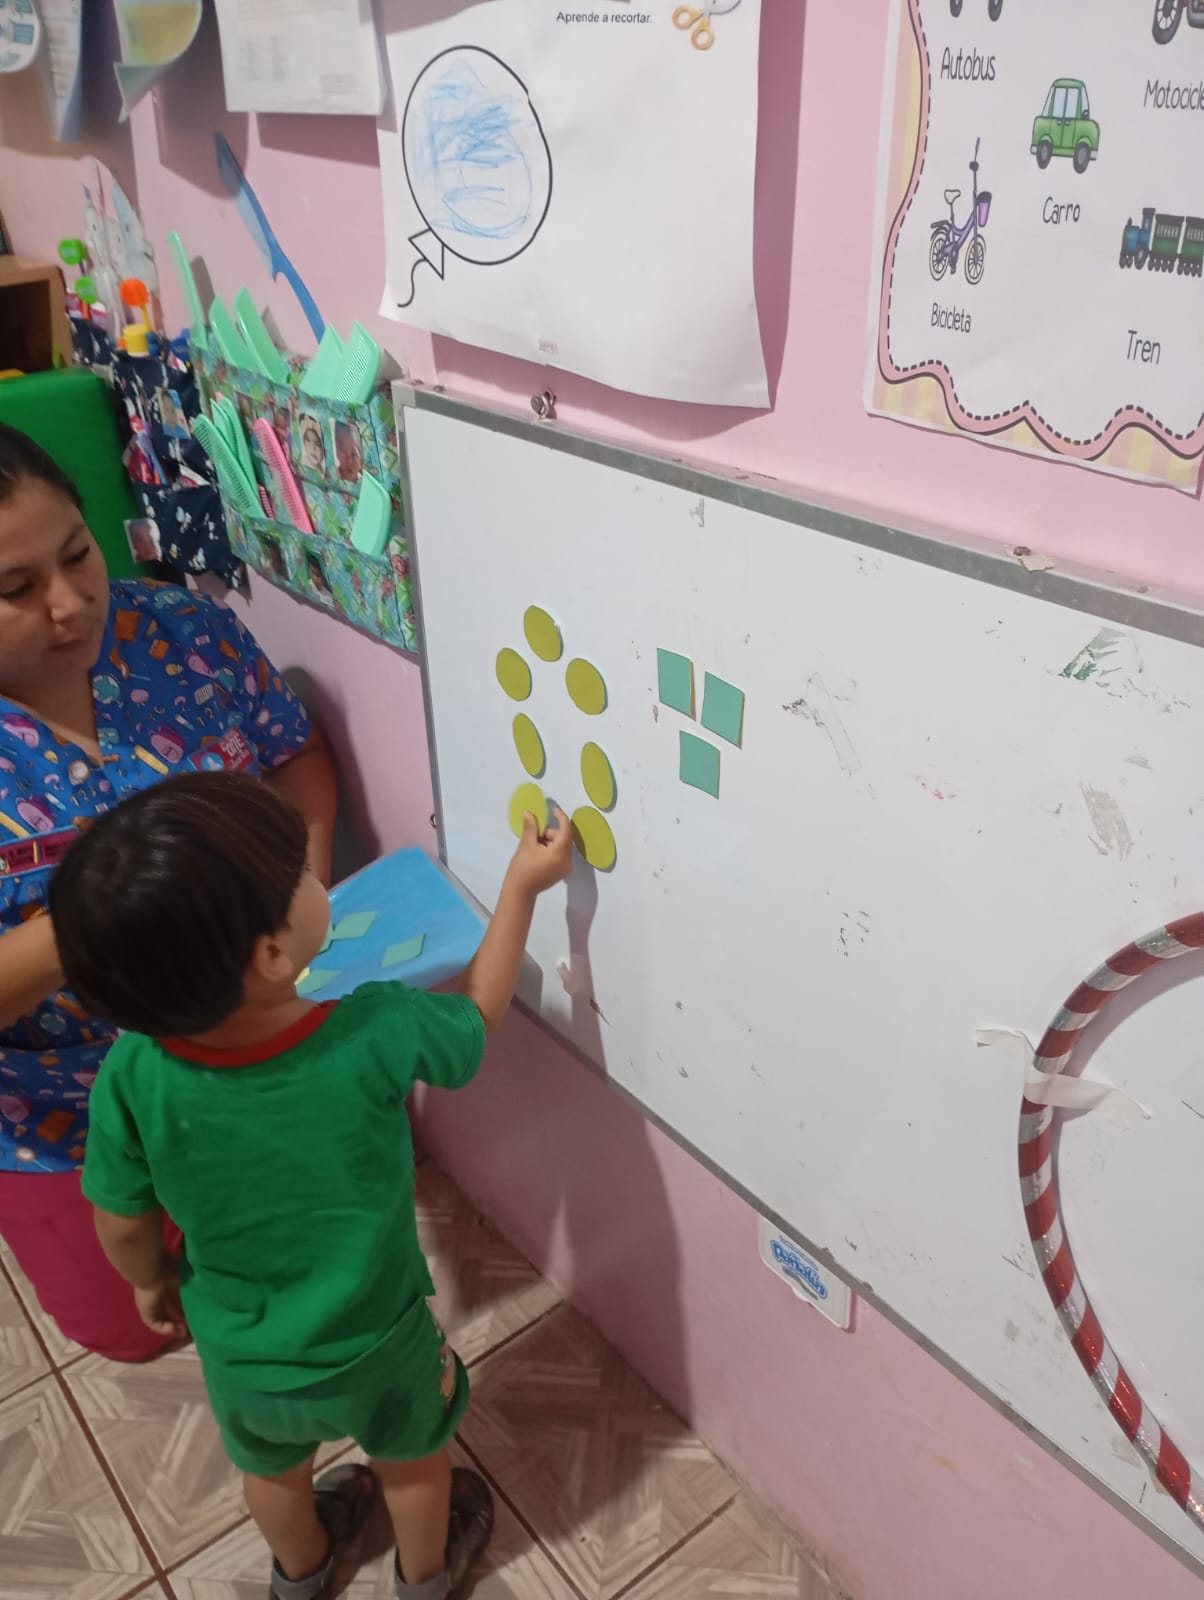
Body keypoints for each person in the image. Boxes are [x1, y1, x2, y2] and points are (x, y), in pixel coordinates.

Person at [50, 772, 575, 1600]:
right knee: (414, 1464)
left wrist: (150, 1278)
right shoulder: (371, 1028)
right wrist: (520, 888)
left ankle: (299, 1577)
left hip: (242, 1353)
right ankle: (425, 1579)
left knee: (273, 1475)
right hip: (380, 1341)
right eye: (299, 872)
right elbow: (476, 1018)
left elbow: (119, 1217)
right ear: (270, 954)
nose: (314, 876)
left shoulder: (132, 1070)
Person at [0, 423, 337, 1362]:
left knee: (289, 1260)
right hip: (59, 1106)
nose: (71, 603)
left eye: (78, 554)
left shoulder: (178, 631)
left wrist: (305, 886)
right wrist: (111, 912)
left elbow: (294, 750)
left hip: (252, 1045)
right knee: (133, 1331)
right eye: (16, 589)